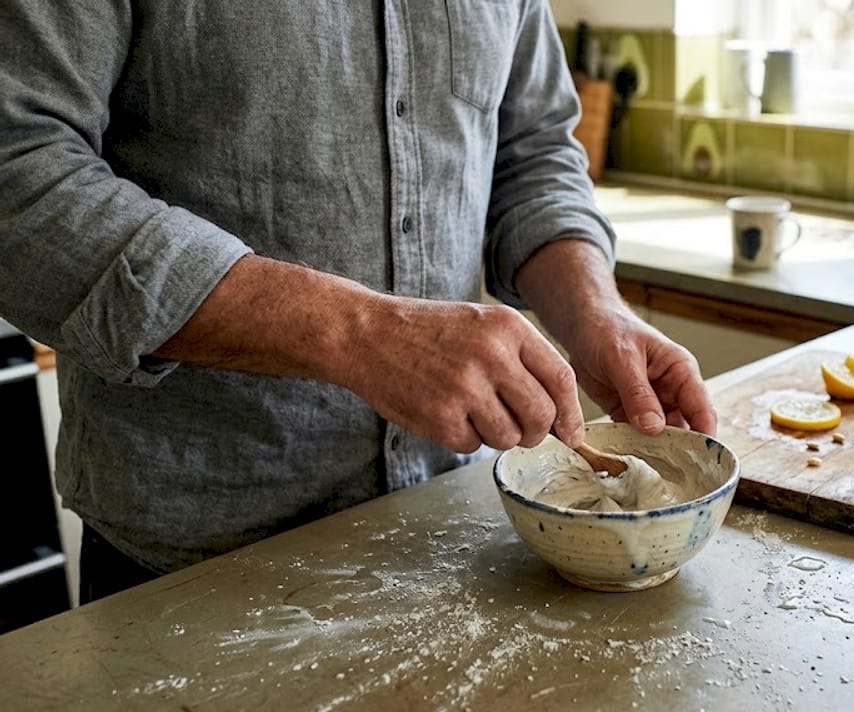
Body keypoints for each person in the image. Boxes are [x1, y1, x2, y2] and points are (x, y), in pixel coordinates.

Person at [0, 2, 717, 603]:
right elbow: (18, 174)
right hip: (193, 572)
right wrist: (360, 332)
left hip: (460, 545)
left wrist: (594, 308)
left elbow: (531, 151)